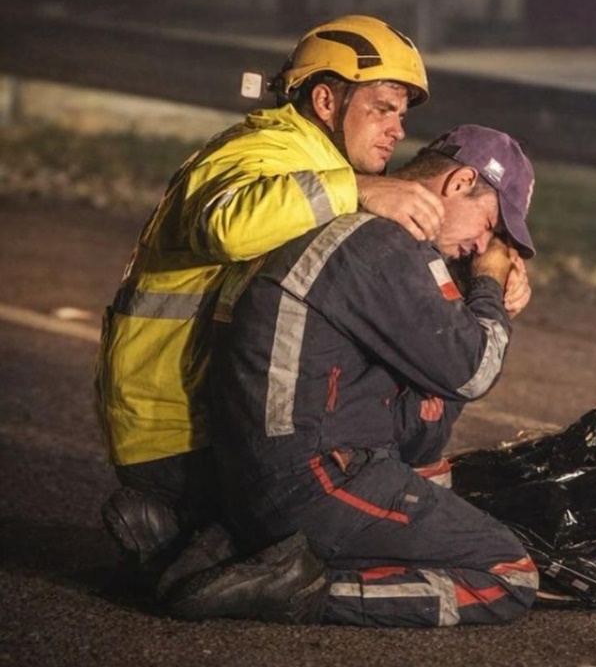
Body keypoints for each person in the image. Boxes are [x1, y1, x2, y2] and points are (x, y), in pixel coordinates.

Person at [94, 14, 444, 573]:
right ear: (326, 101)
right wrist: (356, 188)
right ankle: (192, 539)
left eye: (401, 115)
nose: (397, 129)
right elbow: (228, 227)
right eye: (383, 108)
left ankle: (195, 534)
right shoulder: (263, 150)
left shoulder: (318, 165)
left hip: (210, 416)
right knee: (349, 540)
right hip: (182, 434)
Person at [157, 124, 540, 628]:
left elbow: (423, 433)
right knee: (509, 574)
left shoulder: (355, 225)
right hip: (308, 485)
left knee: (436, 475)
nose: (483, 244)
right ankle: (296, 589)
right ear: (460, 182)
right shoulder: (385, 245)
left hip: (255, 475)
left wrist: (469, 296)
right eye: (490, 225)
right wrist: (488, 286)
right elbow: (471, 372)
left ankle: (226, 548)